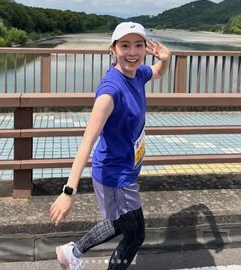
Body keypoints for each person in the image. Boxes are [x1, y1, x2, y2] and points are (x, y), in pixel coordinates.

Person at [49, 21, 171, 270]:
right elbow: (87, 141)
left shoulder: (137, 74)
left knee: (119, 221)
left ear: (146, 48)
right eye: (125, 45)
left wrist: (166, 59)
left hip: (125, 168)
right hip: (116, 176)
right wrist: (69, 192)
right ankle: (74, 253)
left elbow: (158, 72)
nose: (132, 52)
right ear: (113, 49)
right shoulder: (110, 91)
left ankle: (72, 253)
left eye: (138, 45)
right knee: (135, 235)